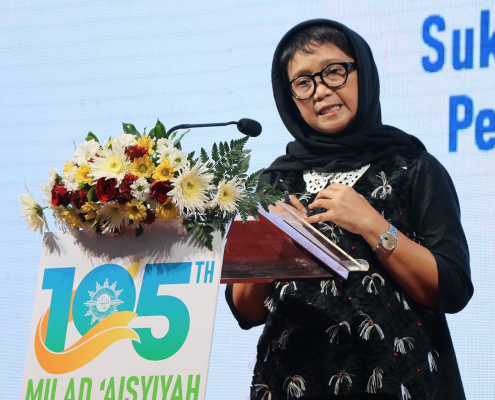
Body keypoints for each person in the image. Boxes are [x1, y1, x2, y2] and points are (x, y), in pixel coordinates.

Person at [225, 19, 473, 400]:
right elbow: (246, 312)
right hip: (289, 383)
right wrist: (272, 248)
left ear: (362, 73)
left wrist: (373, 225)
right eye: (303, 82)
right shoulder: (273, 182)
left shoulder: (414, 168)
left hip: (391, 382)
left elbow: (451, 288)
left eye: (334, 72)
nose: (321, 91)